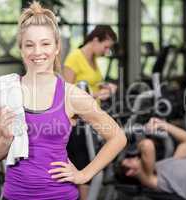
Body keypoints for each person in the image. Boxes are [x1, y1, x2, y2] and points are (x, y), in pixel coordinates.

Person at [0, 2, 127, 200]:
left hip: (60, 195)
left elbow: (118, 137)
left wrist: (83, 174)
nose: (37, 52)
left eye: (45, 43)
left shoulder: (71, 95)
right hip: (15, 195)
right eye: (29, 45)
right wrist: (6, 140)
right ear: (21, 49)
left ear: (57, 47)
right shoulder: (3, 92)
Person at [63, 25, 118, 199]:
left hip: (92, 120)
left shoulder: (93, 58)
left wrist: (105, 87)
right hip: (78, 123)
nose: (107, 51)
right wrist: (95, 94)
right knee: (84, 166)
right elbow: (66, 93)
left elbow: (91, 83)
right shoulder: (74, 58)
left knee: (94, 165)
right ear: (95, 40)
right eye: (106, 46)